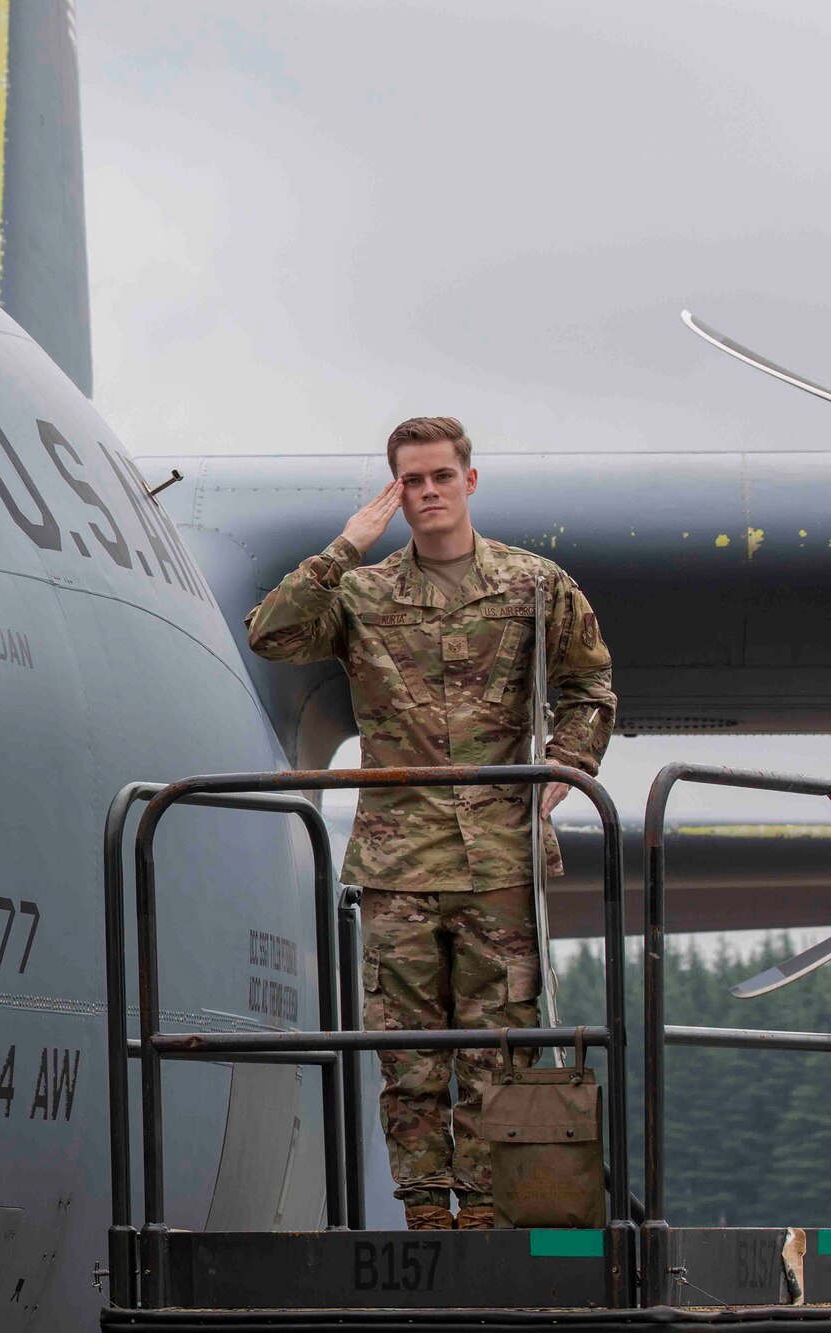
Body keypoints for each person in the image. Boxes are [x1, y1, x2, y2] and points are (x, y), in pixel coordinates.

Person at [245, 416, 615, 1232]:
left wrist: (568, 767)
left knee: (500, 1050)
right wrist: (344, 547)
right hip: (400, 862)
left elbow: (591, 684)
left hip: (501, 861)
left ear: (470, 480)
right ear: (394, 491)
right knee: (408, 1054)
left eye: (441, 476)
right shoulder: (365, 594)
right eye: (411, 481)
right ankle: (425, 1215)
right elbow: (270, 632)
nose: (428, 493)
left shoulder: (534, 586)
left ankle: (485, 1212)